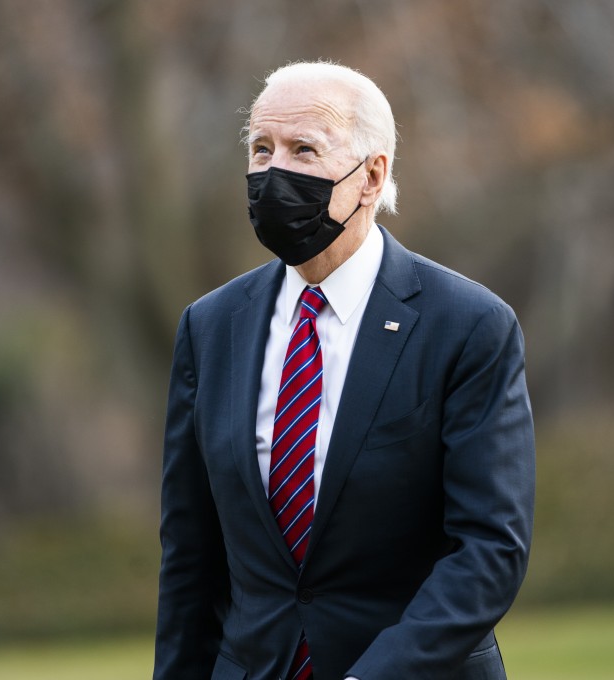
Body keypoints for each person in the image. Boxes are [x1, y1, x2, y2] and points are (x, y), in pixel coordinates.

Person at [154, 61, 535, 680]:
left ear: (371, 176)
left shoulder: (468, 326)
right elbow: (190, 559)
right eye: (260, 148)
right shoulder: (209, 326)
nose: (274, 171)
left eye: (304, 149)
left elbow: (490, 551)